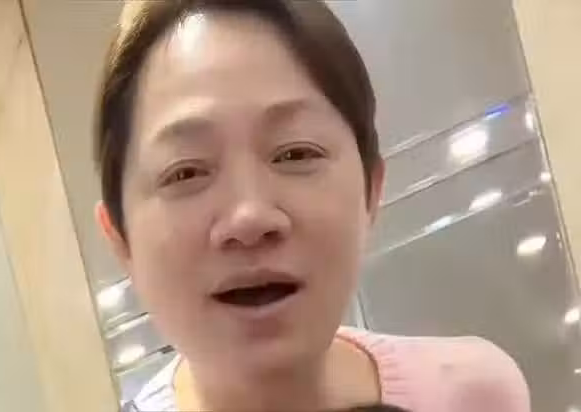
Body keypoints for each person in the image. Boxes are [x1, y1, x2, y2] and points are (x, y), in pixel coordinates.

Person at [94, 1, 531, 411]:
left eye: (295, 153)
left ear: (371, 190)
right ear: (120, 239)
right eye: (186, 172)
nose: (249, 218)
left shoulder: (471, 395)